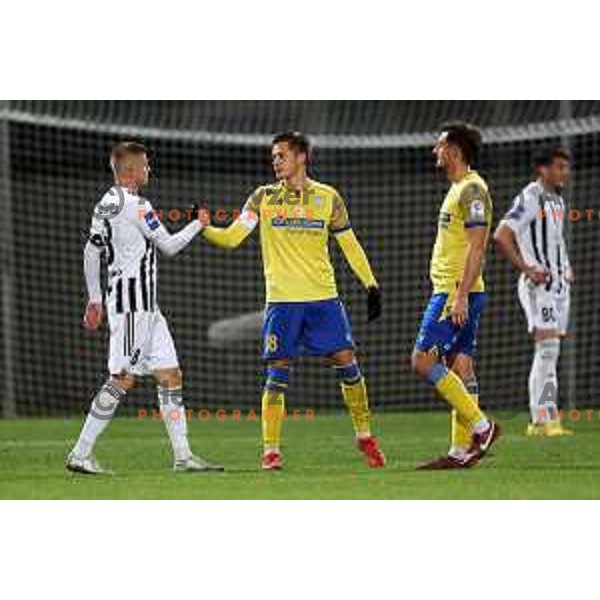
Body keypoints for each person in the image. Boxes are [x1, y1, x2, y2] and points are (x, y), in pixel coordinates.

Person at [201, 131, 385, 470]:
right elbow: (232, 238)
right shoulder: (262, 197)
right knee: (277, 374)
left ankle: (365, 436)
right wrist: (206, 228)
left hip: (323, 300)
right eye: (273, 156)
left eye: (281, 155)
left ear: (301, 157)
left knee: (348, 365)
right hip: (283, 303)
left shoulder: (328, 198)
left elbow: (349, 244)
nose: (275, 161)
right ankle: (271, 450)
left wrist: (370, 284)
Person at [66, 141, 223, 474]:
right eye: (146, 165)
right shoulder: (138, 205)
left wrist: (95, 299)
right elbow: (168, 245)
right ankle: (80, 453)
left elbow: (91, 252)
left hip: (144, 307)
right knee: (122, 378)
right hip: (133, 305)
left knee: (170, 375)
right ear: (131, 171)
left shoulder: (105, 203)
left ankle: (183, 456)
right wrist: (199, 223)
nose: (149, 169)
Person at [412, 121, 500, 470]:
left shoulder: (472, 190)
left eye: (439, 145)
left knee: (421, 360)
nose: (435, 151)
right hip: (461, 291)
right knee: (461, 368)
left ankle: (483, 427)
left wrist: (460, 294)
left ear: (455, 150)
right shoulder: (460, 188)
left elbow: (477, 246)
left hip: (454, 292)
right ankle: (459, 451)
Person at [494, 144, 574, 436]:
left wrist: (565, 266)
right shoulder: (531, 197)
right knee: (547, 349)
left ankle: (546, 417)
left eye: (565, 167)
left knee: (551, 352)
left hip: (558, 286)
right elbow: (502, 235)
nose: (564, 172)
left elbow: (556, 240)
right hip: (538, 288)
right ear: (544, 169)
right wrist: (527, 269)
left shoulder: (557, 201)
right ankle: (541, 419)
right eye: (559, 167)